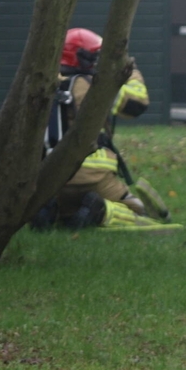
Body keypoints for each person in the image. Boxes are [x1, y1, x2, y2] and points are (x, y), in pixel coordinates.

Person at [31, 28, 164, 230]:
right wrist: (131, 72)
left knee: (66, 211)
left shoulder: (44, 83)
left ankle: (48, 212)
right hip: (94, 177)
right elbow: (137, 105)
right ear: (84, 58)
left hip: (48, 177)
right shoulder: (94, 87)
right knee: (136, 212)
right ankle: (100, 211)